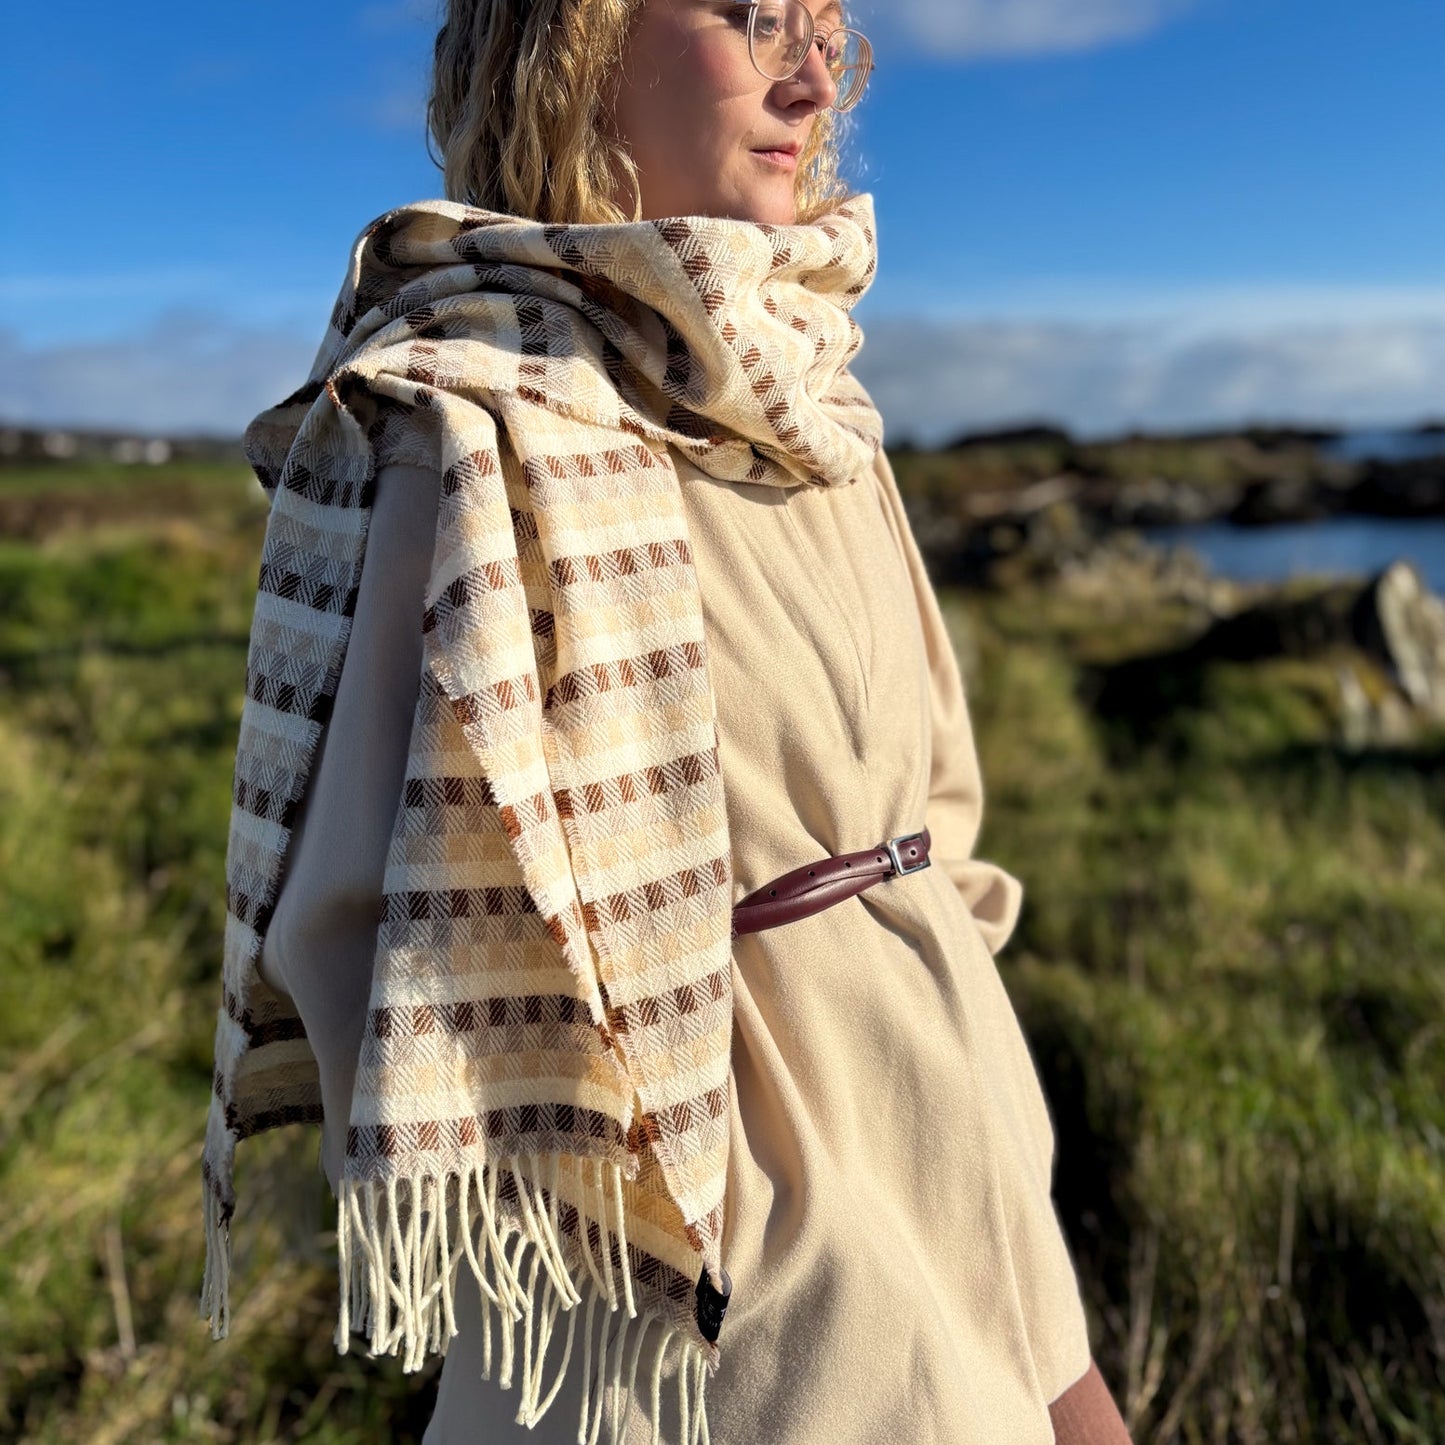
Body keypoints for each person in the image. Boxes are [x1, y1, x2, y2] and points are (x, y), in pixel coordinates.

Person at [204, 1, 1136, 1441]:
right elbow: (344, 925)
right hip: (686, 1281)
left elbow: (935, 828)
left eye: (828, 26)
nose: (813, 70)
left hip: (966, 1153)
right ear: (566, 48)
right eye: (751, 13)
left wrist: (1011, 1220)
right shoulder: (469, 423)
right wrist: (683, 1201)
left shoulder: (820, 412)